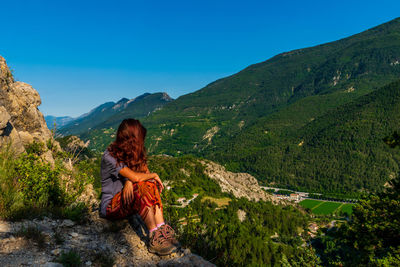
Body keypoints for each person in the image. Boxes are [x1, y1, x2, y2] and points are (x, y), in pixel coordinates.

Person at [99, 118, 179, 256]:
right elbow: (137, 177)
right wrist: (151, 175)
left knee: (149, 183)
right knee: (143, 184)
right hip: (110, 206)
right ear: (132, 139)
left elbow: (142, 174)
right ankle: (154, 236)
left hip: (127, 200)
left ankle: (161, 230)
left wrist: (130, 181)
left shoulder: (131, 153)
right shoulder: (110, 156)